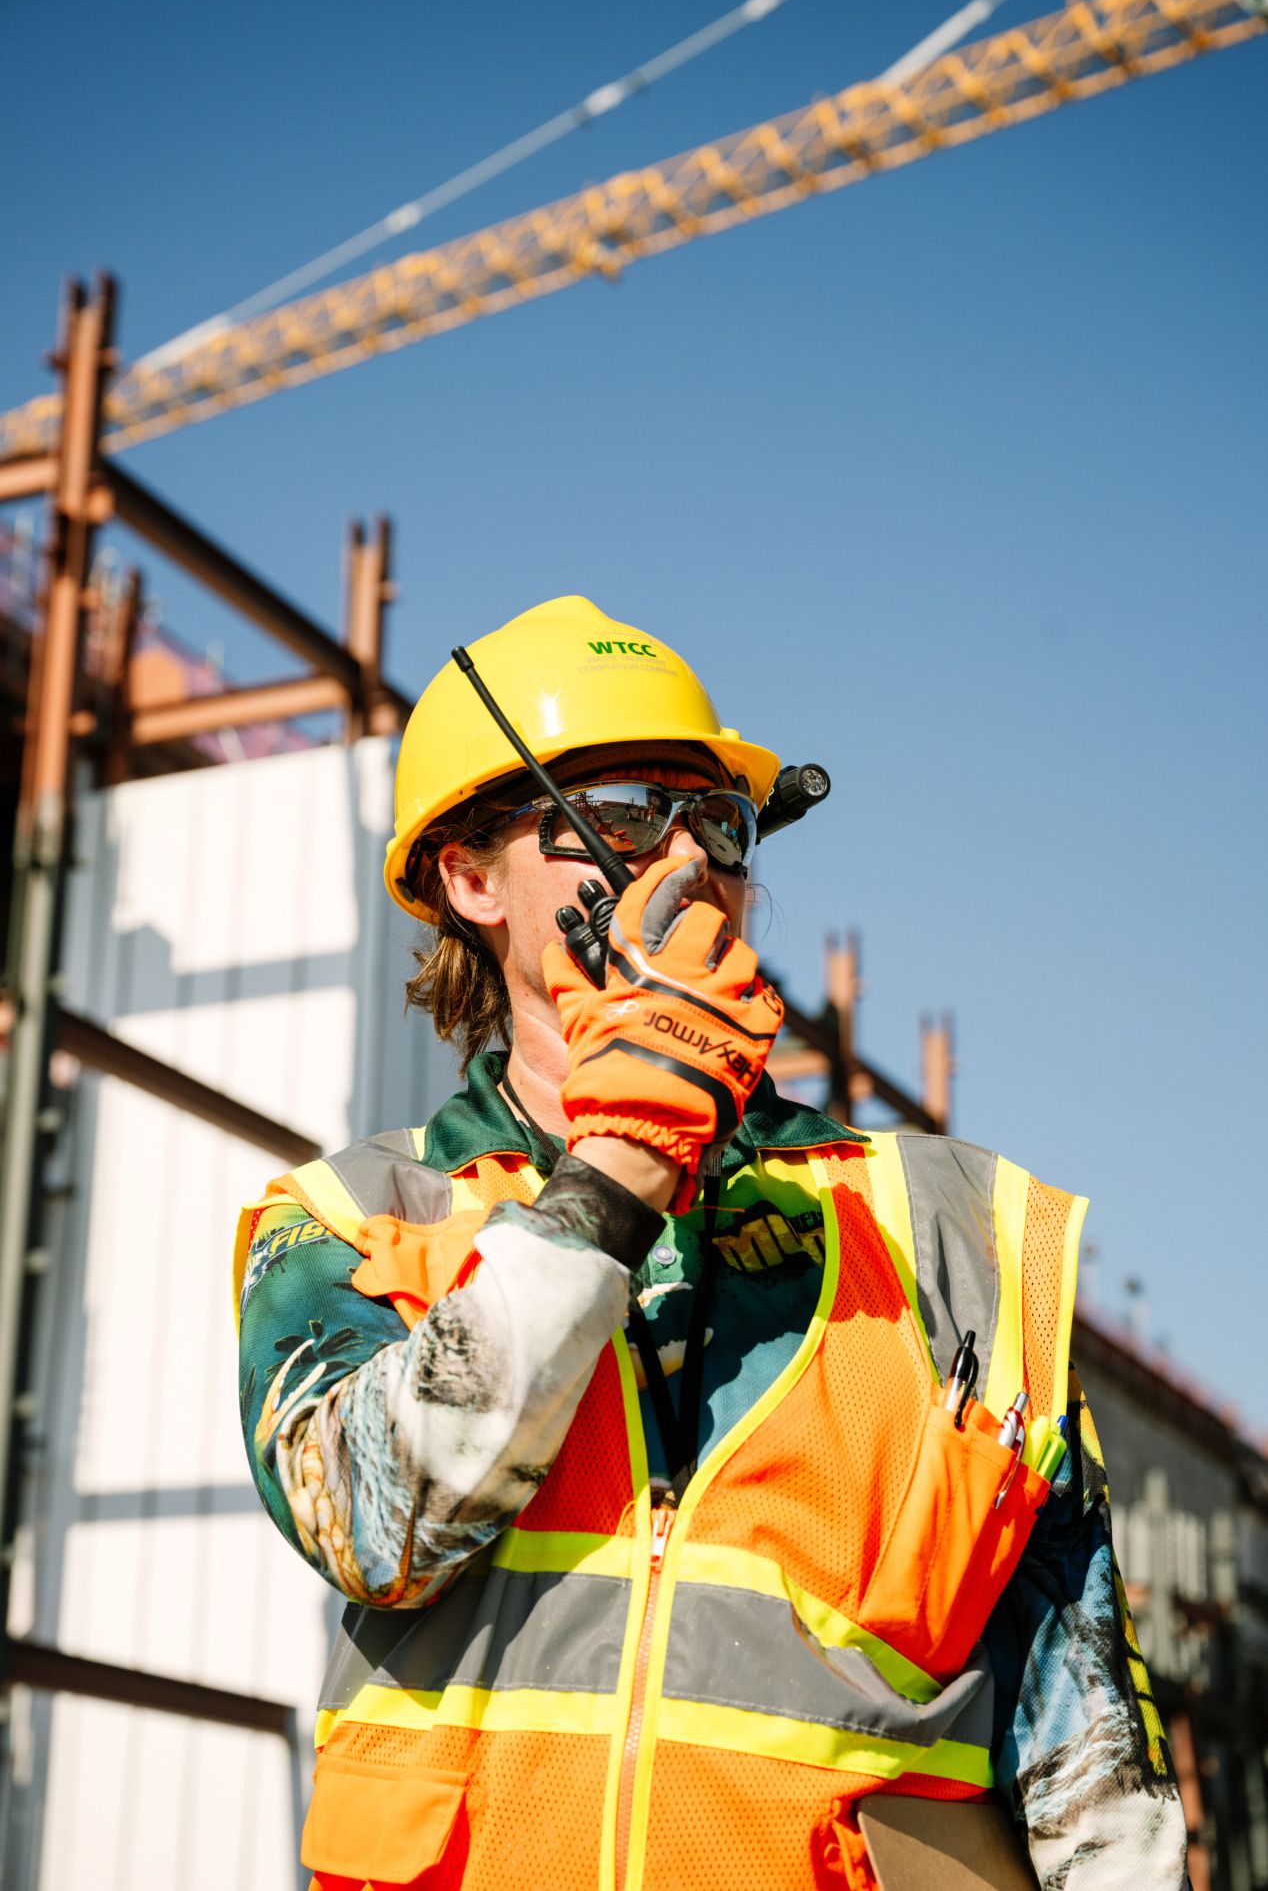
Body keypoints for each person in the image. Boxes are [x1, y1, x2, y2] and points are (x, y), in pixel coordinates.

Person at [235, 595, 1187, 1891]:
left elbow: (1090, 1758)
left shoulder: (948, 1229)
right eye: (622, 809)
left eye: (718, 822)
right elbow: (374, 1527)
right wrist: (620, 1156)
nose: (684, 859)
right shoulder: (354, 1221)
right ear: (469, 876)